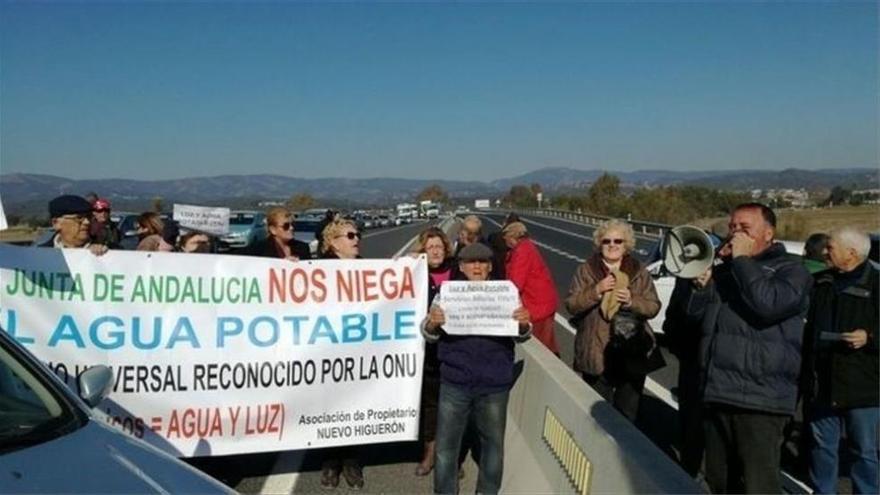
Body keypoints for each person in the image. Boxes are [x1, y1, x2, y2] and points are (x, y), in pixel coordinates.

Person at [685, 202, 812, 494]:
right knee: (719, 481)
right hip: (718, 392)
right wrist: (700, 288)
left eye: (745, 228)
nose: (736, 234)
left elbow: (768, 305)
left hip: (760, 399)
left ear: (768, 233)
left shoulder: (792, 271)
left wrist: (742, 261)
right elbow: (693, 320)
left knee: (759, 485)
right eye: (732, 228)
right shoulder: (726, 271)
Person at [422, 242, 532, 494]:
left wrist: (524, 325)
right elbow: (427, 334)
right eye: (471, 262)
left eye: (482, 262)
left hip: (494, 382)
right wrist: (432, 324)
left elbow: (522, 336)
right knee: (446, 447)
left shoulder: (507, 293)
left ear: (490, 266)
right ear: (461, 266)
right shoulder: (446, 294)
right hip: (454, 380)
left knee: (492, 445)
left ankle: (487, 491)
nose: (477, 267)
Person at [803, 227, 878, 495]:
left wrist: (869, 337)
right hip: (822, 382)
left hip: (863, 386)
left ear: (851, 253)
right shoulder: (821, 282)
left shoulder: (877, 284)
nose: (825, 251)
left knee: (864, 451)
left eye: (830, 247)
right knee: (822, 449)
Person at [565, 219, 661, 422]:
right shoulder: (586, 270)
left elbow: (653, 306)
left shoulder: (639, 271)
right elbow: (572, 304)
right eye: (606, 241)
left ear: (627, 245)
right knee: (599, 416)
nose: (612, 245)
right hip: (596, 350)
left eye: (618, 241)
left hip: (631, 351)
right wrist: (596, 291)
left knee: (628, 415)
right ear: (599, 244)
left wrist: (631, 300)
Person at [318, 218, 364, 490]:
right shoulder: (318, 270)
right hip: (327, 350)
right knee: (329, 406)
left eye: (357, 234)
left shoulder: (368, 269)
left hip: (358, 351)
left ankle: (351, 461)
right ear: (333, 242)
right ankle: (330, 462)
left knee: (354, 405)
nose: (356, 239)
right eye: (349, 235)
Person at [410, 226, 456, 477]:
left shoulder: (458, 271)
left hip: (457, 350)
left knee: (455, 407)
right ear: (423, 252)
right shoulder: (415, 274)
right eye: (430, 247)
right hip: (428, 351)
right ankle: (429, 452)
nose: (436, 251)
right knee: (430, 404)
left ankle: (450, 457)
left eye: (439, 246)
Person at [502, 221, 560, 355]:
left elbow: (515, 283)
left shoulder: (522, 251)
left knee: (542, 347)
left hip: (537, 305)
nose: (505, 241)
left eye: (506, 237)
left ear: (512, 236)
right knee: (548, 342)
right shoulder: (526, 247)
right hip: (542, 303)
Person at [39, 195, 108, 256]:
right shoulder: (39, 254)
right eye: (79, 218)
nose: (87, 222)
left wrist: (102, 255)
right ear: (56, 223)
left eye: (89, 217)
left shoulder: (110, 251)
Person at [245, 207, 311, 260]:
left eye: (293, 224)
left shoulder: (303, 248)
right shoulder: (257, 250)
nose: (291, 228)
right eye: (286, 226)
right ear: (273, 229)